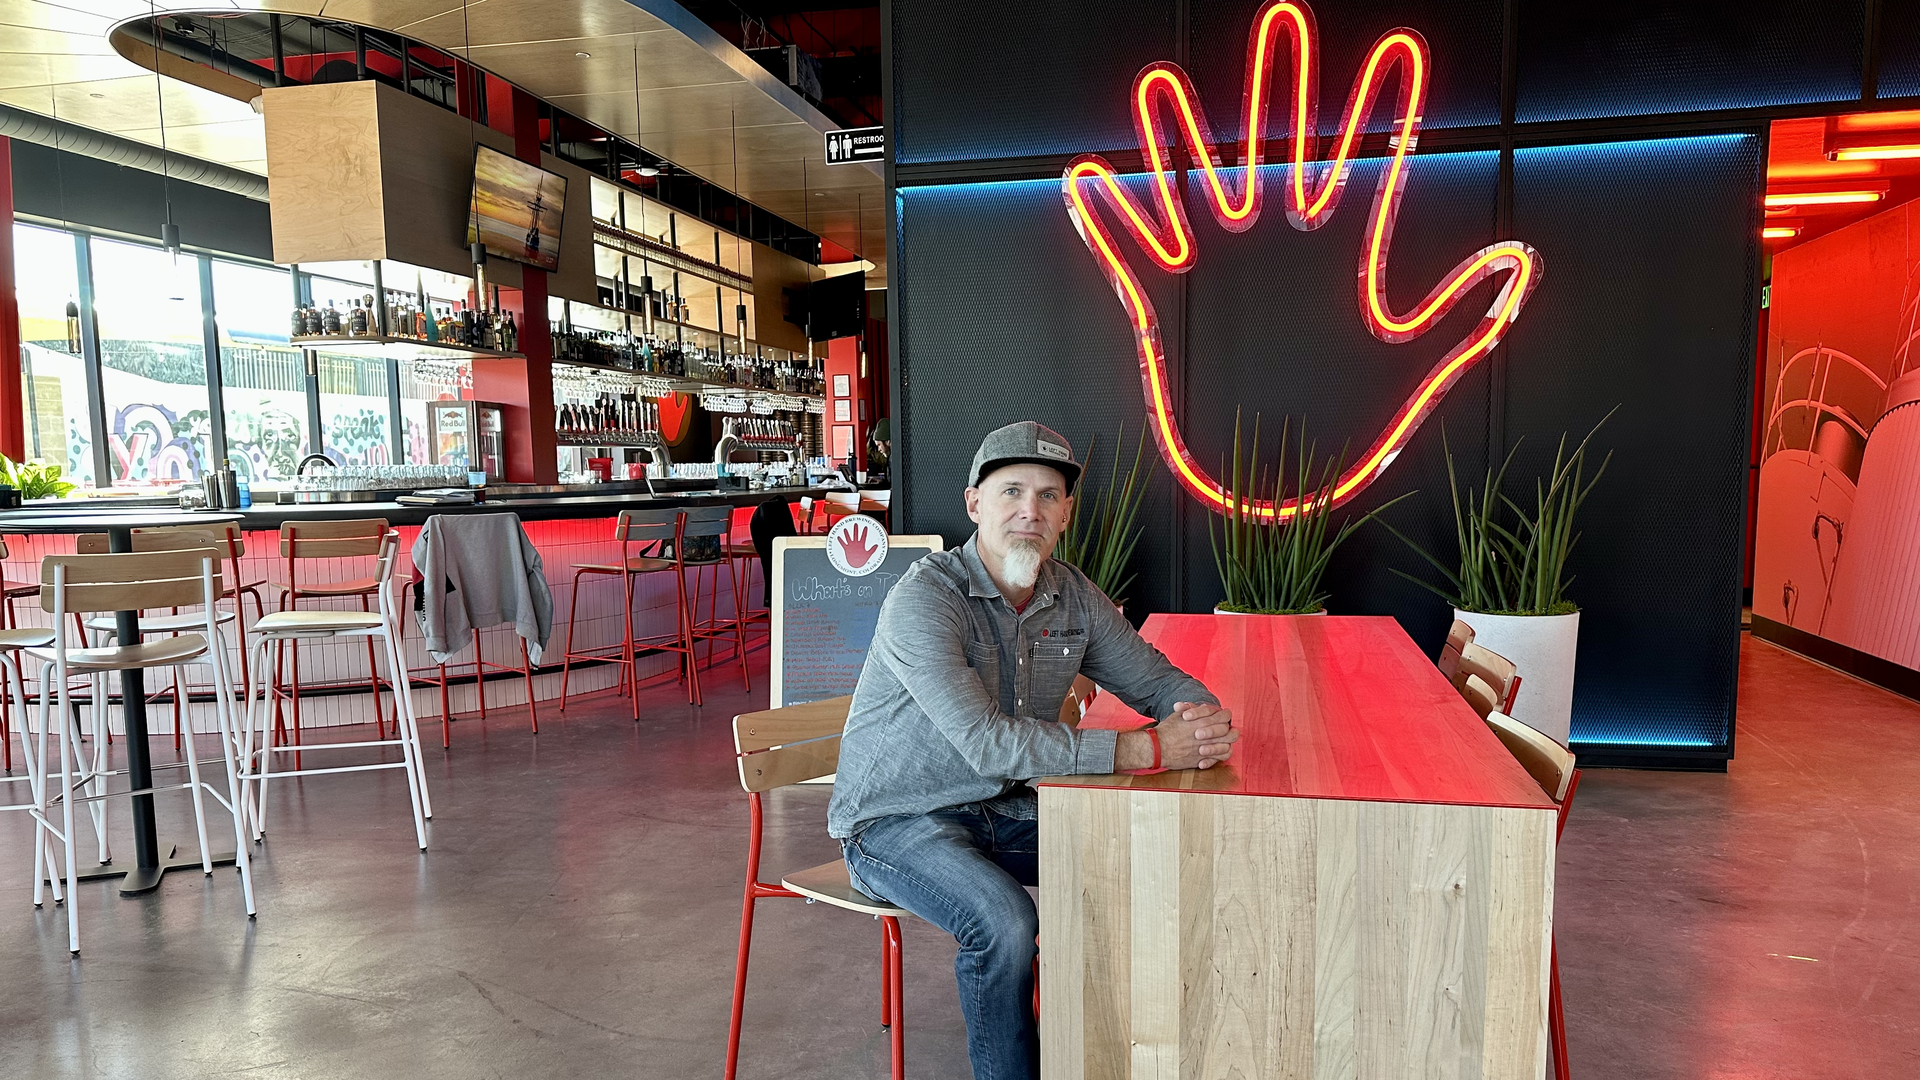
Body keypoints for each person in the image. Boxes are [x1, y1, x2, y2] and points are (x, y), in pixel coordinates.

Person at [827, 420, 1239, 1080]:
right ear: (974, 505)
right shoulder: (926, 598)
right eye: (1012, 491)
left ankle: (1112, 1054)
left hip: (1001, 807)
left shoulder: (1071, 594)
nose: (1031, 511)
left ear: (1067, 514)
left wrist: (1198, 715)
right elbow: (987, 744)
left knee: (1149, 852)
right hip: (896, 819)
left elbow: (1155, 679)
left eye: (1049, 496)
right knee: (1005, 924)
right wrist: (1146, 749)